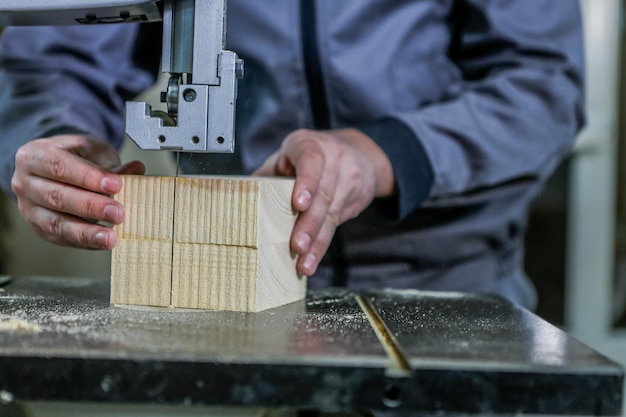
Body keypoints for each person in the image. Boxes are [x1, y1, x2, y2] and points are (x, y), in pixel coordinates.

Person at [0, 1, 584, 310]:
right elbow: (57, 62)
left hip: (447, 280)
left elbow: (542, 88)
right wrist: (53, 135)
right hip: (218, 288)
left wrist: (381, 154)